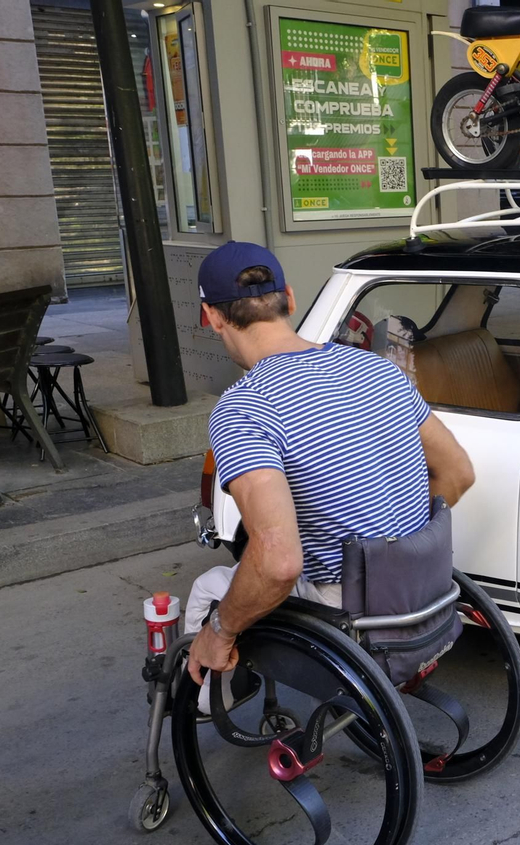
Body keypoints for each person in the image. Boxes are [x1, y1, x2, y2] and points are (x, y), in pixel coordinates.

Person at [181, 241, 476, 691]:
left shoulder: (244, 409)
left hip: (351, 610)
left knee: (210, 591)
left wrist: (220, 630)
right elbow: (458, 472)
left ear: (212, 317)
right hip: (425, 589)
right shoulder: (377, 369)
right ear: (290, 300)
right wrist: (396, 549)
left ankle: (203, 703)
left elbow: (280, 563)